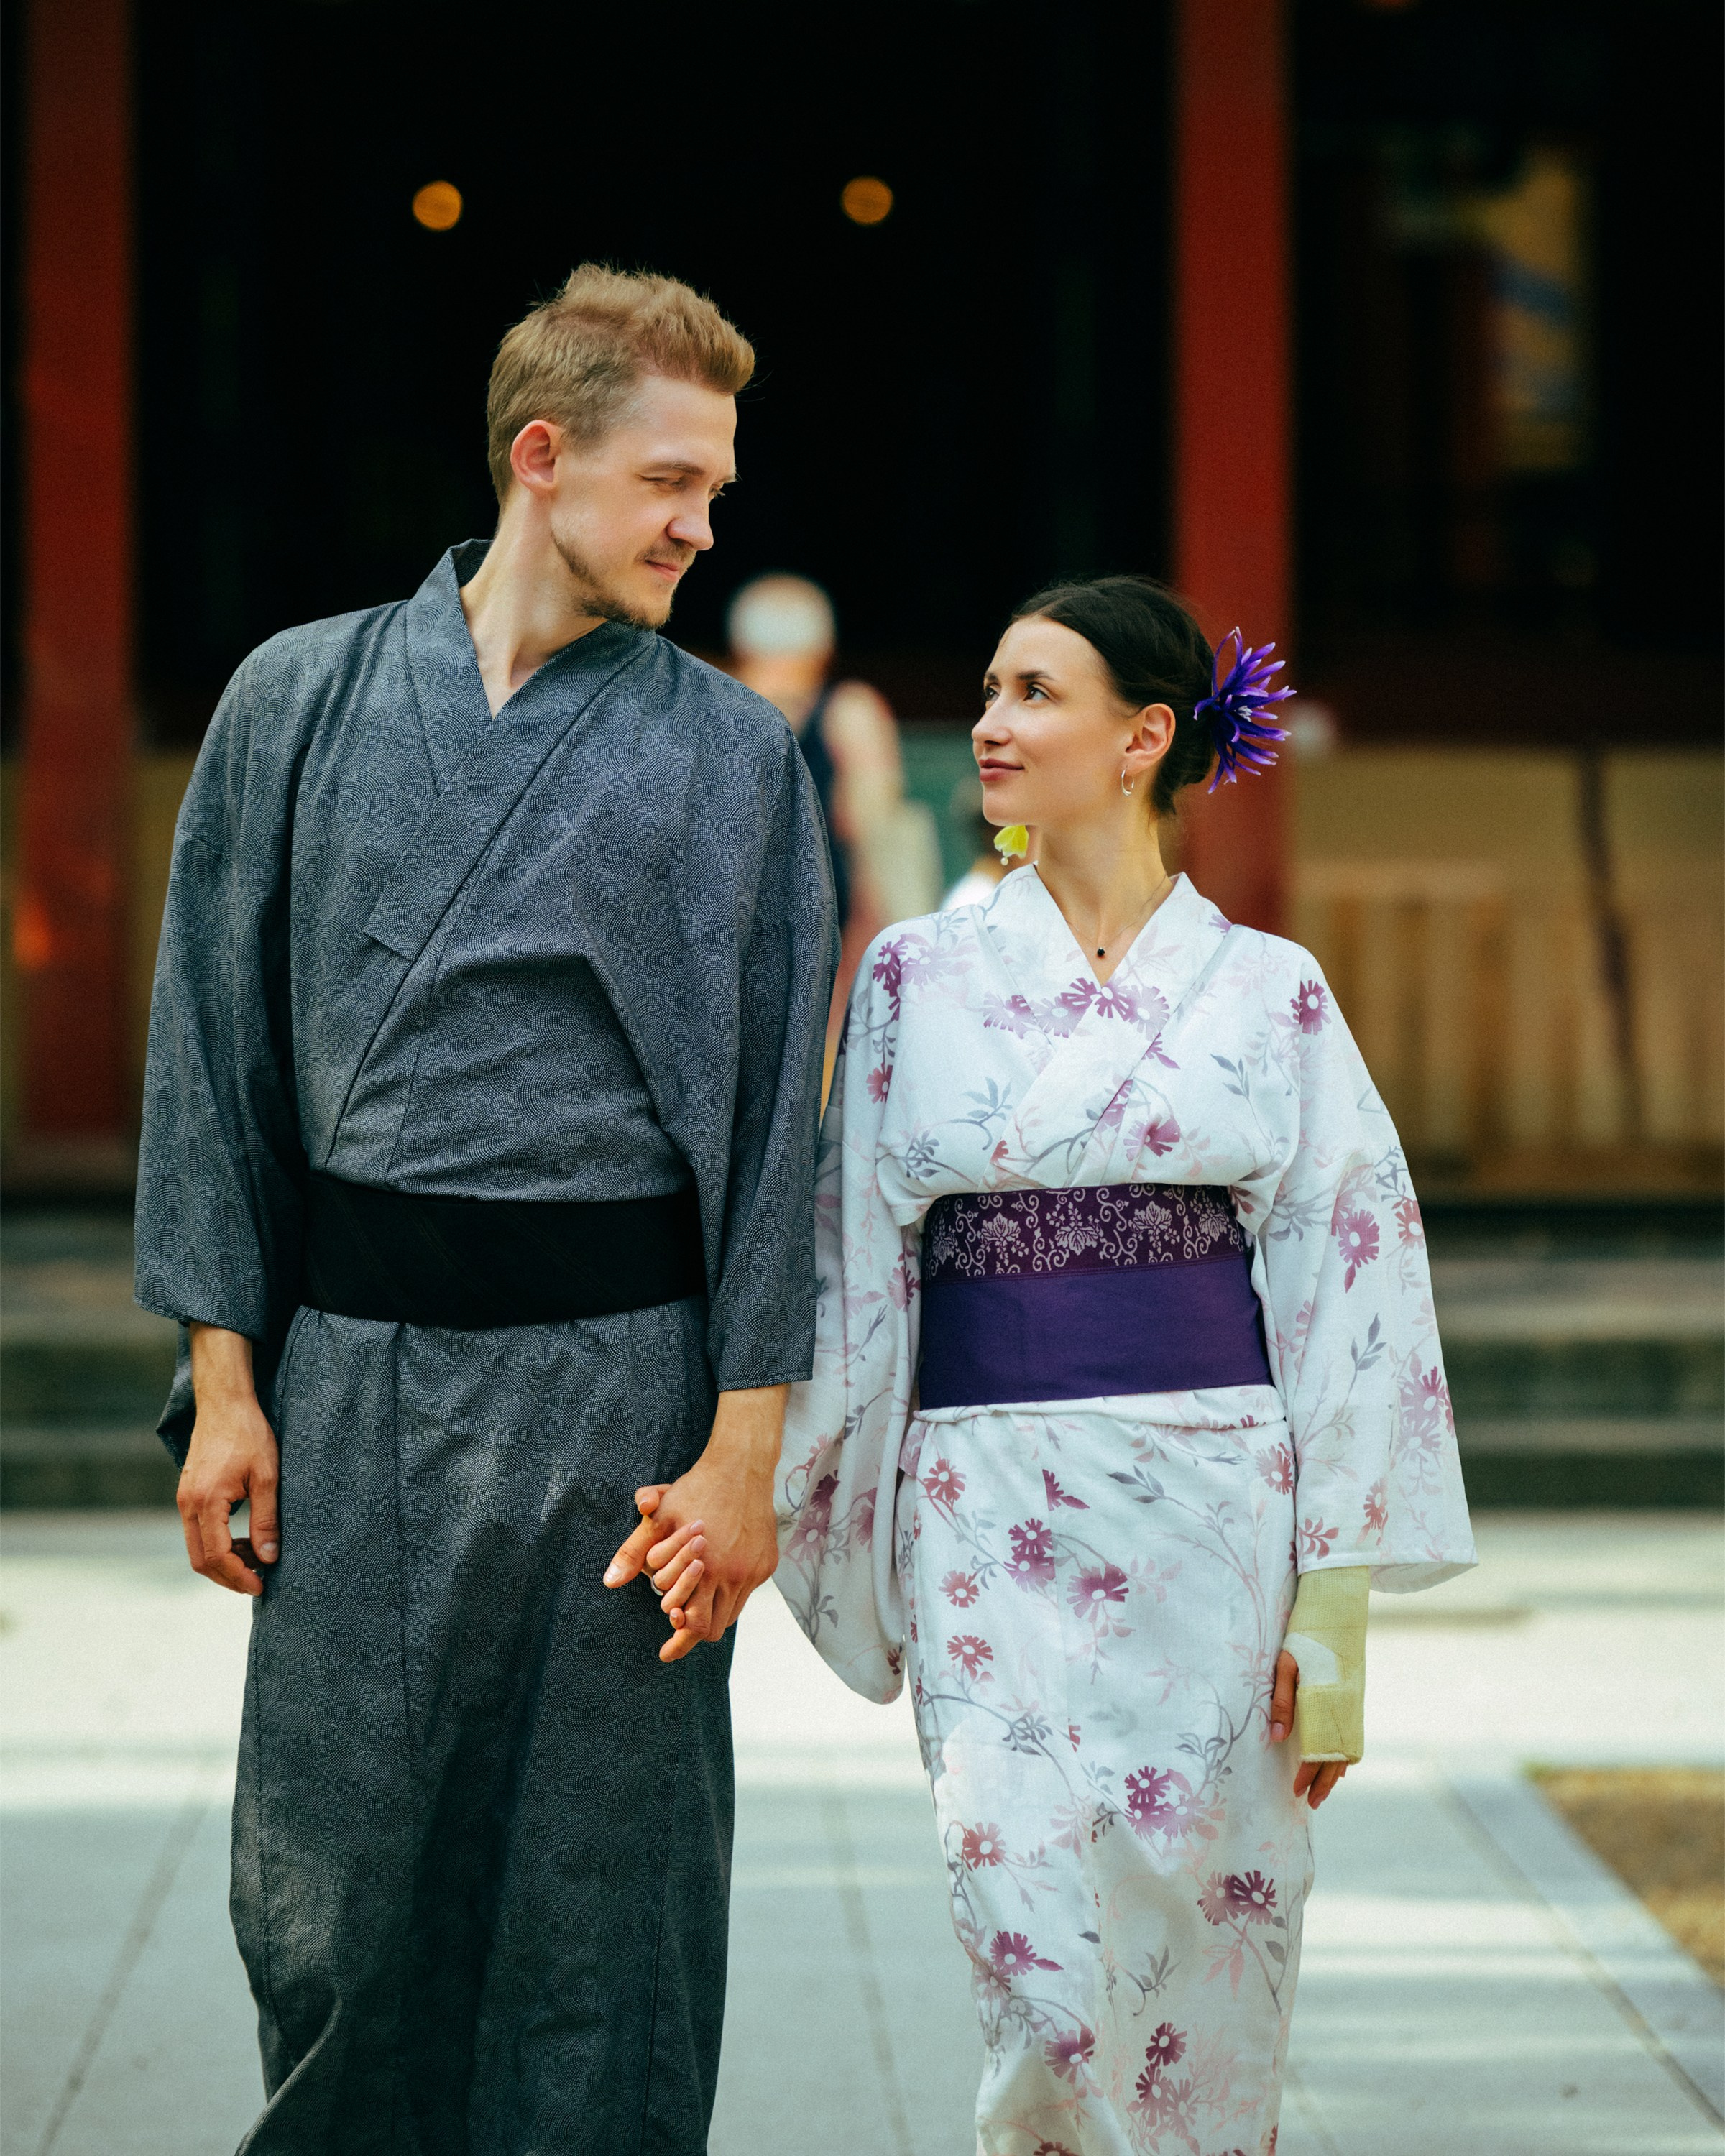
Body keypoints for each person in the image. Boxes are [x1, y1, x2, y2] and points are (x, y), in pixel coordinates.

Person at [134, 264, 837, 2152]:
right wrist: (226, 1384)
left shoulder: (733, 755)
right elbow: (211, 1052)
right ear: (543, 459)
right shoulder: (297, 699)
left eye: (715, 491)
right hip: (354, 1380)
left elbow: (776, 1129)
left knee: (607, 1905)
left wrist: (747, 1456)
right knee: (337, 1885)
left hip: (625, 1410)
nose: (701, 528)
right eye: (670, 483)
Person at [770, 576, 1474, 2155]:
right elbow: (850, 1266)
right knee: (1024, 1937)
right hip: (986, 1509)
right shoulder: (916, 978)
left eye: (1033, 694)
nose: (991, 725)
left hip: (1214, 1511)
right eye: (989, 689)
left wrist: (1335, 1614)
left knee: (1213, 1926)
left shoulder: (1272, 991)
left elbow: (1354, 1282)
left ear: (1145, 736)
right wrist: (786, 1485)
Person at [726, 573, 942, 1031]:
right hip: (822, 927)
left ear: (740, 648)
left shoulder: (704, 709)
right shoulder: (851, 713)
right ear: (825, 650)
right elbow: (876, 831)